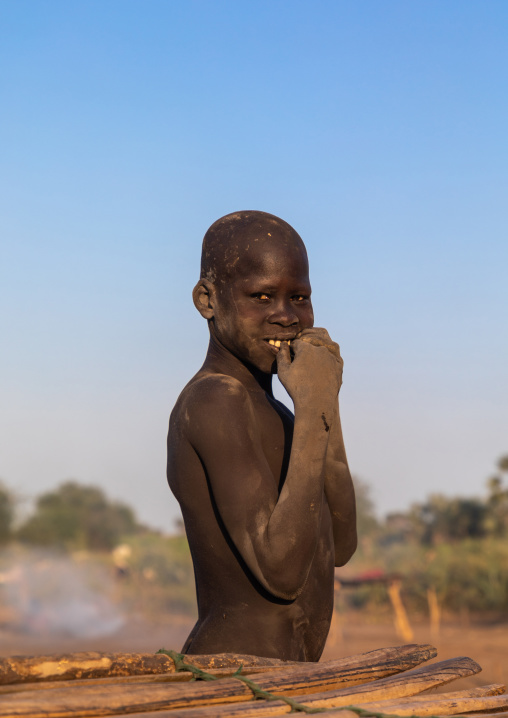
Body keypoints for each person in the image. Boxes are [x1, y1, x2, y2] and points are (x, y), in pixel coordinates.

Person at [167, 210, 357, 661]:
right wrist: (312, 409)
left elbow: (343, 545)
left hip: (282, 681)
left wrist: (324, 401)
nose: (286, 316)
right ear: (207, 300)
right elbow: (282, 573)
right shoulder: (214, 400)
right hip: (233, 679)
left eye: (299, 297)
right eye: (262, 296)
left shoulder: (283, 414)